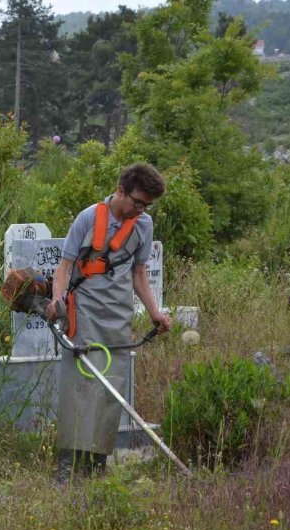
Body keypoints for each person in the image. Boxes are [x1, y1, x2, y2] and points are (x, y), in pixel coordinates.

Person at [47, 163, 172, 480]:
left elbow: (139, 274)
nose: (141, 210)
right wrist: (57, 300)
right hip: (84, 308)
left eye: (147, 205)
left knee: (109, 389)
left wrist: (155, 311)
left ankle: (96, 463)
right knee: (80, 383)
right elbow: (65, 267)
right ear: (121, 191)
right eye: (137, 202)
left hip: (118, 314)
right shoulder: (88, 218)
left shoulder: (143, 226)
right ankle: (68, 464)